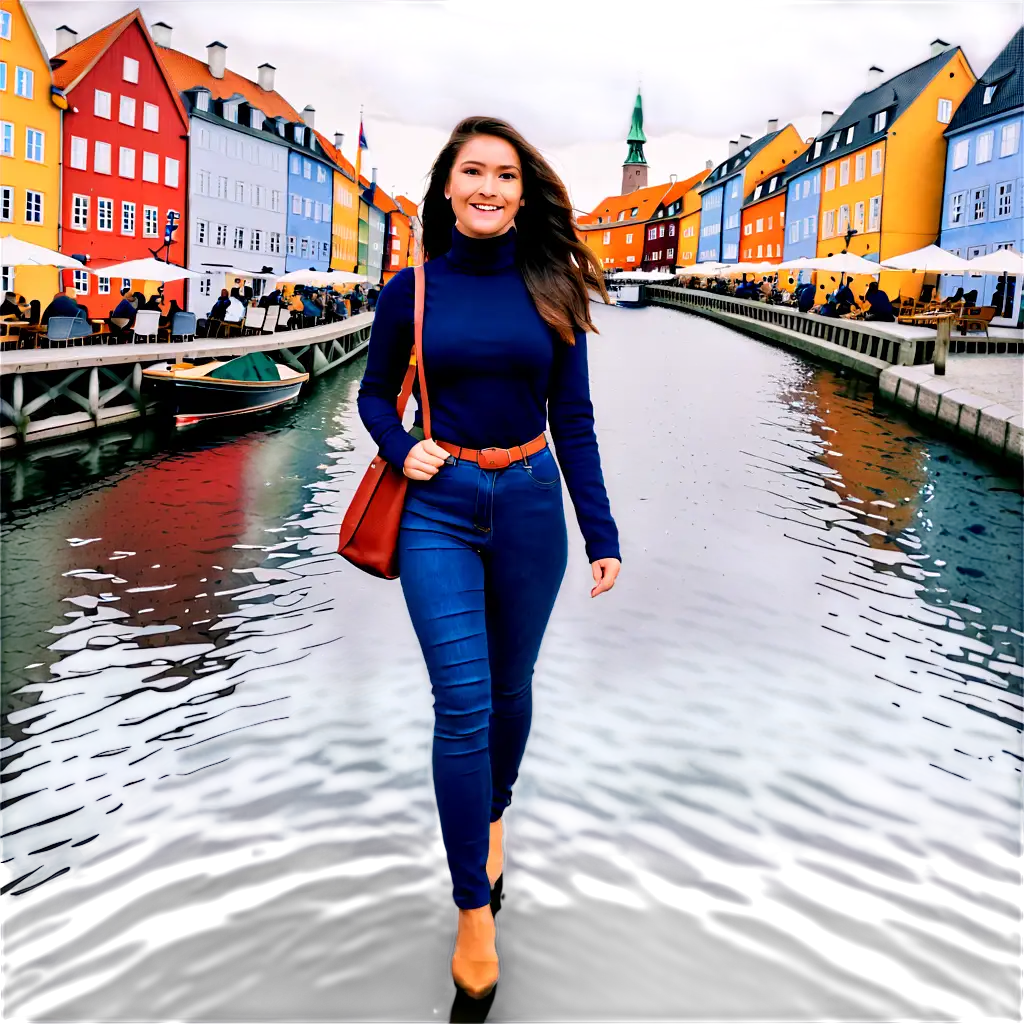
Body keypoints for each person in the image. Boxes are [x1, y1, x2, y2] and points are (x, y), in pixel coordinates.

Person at [356, 115, 620, 1000]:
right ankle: (473, 902)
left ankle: (496, 807)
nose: (490, 187)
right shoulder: (411, 290)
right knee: (462, 700)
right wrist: (401, 449)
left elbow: (573, 421)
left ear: (522, 191)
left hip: (534, 503)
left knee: (511, 690)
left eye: (506, 175)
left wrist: (602, 532)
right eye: (474, 172)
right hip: (438, 506)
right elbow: (370, 395)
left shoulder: (553, 284)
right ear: (447, 186)